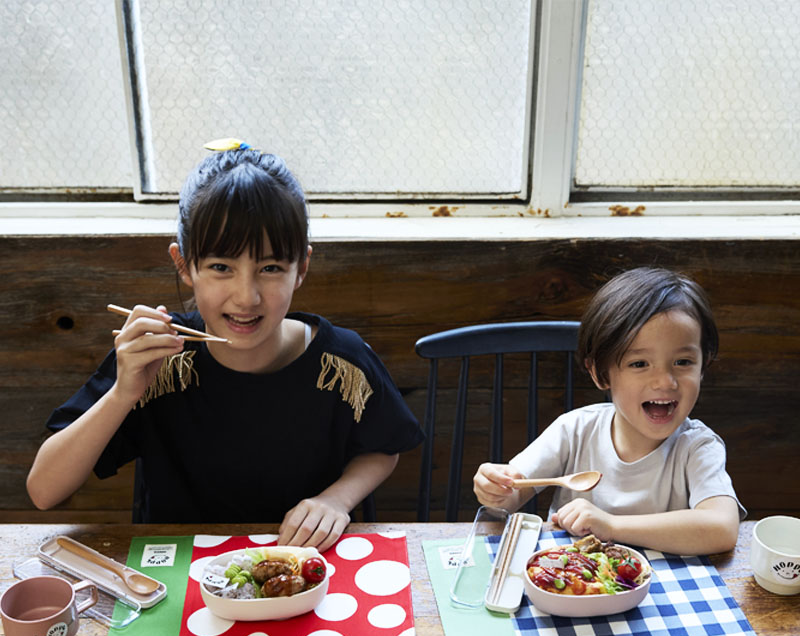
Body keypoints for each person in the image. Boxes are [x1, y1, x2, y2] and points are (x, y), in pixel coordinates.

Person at [27, 140, 423, 551]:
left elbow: (384, 445)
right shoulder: (159, 356)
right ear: (185, 265)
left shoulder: (341, 361)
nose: (246, 296)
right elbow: (44, 490)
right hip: (177, 577)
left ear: (301, 268)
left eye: (270, 268)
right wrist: (123, 393)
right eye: (221, 267)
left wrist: (337, 499)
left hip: (306, 567)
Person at [473, 267, 743, 555]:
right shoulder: (575, 429)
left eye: (683, 362)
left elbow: (721, 528)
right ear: (601, 374)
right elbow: (515, 492)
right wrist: (496, 488)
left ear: (704, 364)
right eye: (639, 364)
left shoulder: (697, 446)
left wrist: (611, 525)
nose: (666, 381)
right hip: (574, 584)